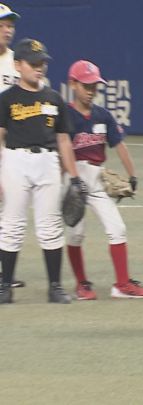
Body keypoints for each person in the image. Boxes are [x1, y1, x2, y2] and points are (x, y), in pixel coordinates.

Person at [0, 38, 85, 304]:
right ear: (18, 65)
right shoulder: (6, 99)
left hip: (48, 163)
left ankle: (55, 287)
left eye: (43, 63)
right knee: (11, 225)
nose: (40, 67)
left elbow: (63, 141)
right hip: (15, 160)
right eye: (33, 63)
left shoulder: (54, 98)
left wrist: (74, 177)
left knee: (50, 226)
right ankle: (5, 287)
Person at [65, 60, 143, 300]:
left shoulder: (102, 115)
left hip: (96, 178)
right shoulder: (66, 115)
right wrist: (70, 179)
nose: (91, 90)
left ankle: (122, 285)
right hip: (71, 178)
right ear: (73, 84)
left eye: (94, 86)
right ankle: (81, 284)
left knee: (117, 229)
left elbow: (119, 145)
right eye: (86, 85)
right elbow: (60, 150)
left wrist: (132, 174)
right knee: (76, 233)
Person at [0, 3, 22, 288]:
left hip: (12, 147)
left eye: (10, 25)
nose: (7, 30)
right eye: (2, 25)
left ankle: (5, 273)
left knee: (9, 207)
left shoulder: (18, 63)